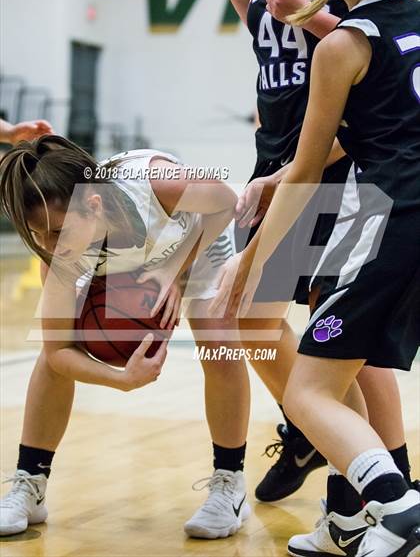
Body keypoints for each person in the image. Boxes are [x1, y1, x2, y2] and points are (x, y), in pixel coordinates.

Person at [211, 0, 420, 555]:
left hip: (363, 194)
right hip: (307, 169)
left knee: (328, 372)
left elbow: (318, 153)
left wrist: (251, 255)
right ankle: (349, 499)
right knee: (291, 339)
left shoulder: (345, 36)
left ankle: (391, 496)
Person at [0, 136, 251, 539]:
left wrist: (175, 272)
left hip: (197, 237)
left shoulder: (158, 183)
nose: (49, 246)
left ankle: (230, 483)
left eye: (58, 231)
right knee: (50, 358)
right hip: (124, 257)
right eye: (37, 234)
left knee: (217, 340)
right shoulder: (59, 252)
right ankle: (30, 483)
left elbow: (226, 200)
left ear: (93, 204)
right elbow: (58, 350)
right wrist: (121, 379)